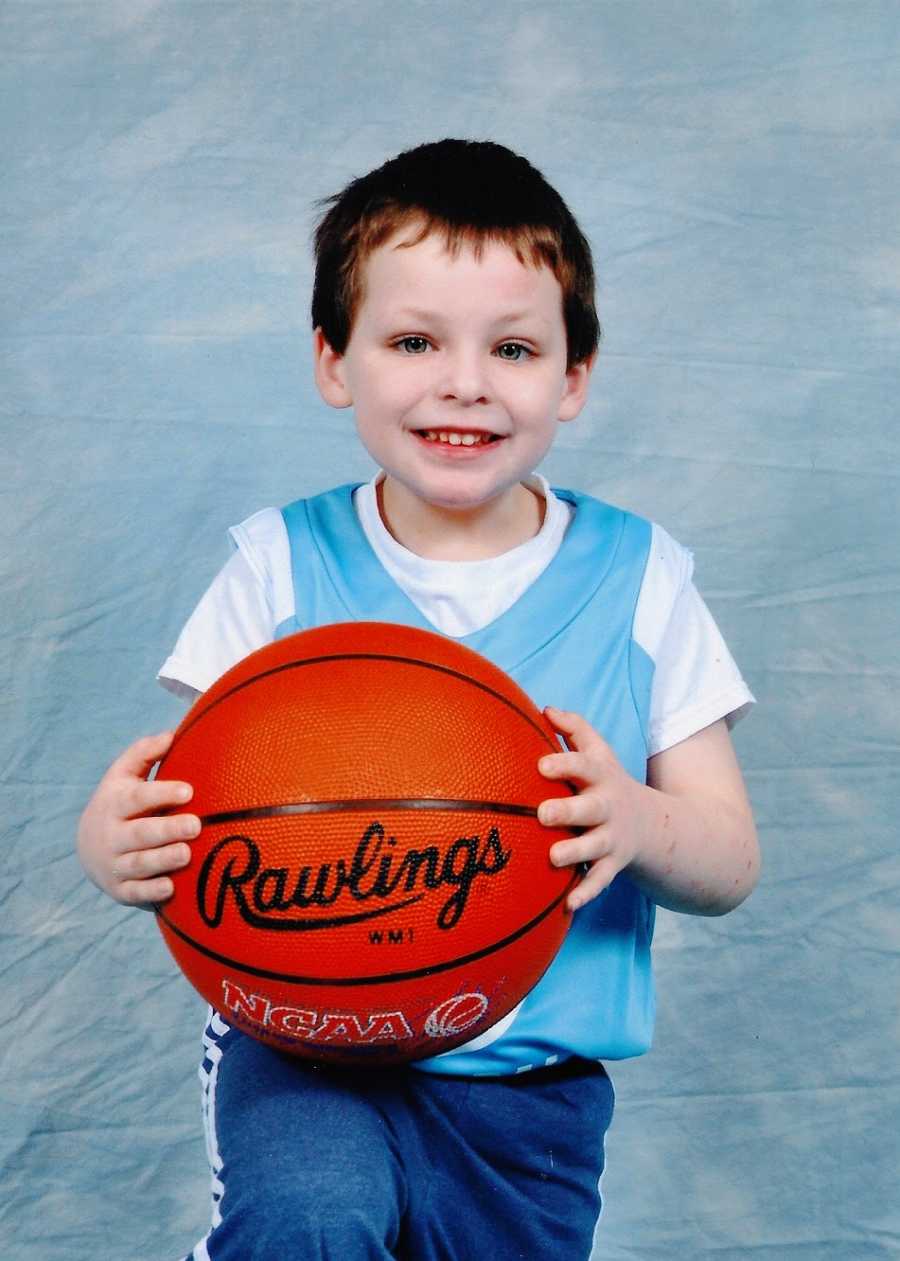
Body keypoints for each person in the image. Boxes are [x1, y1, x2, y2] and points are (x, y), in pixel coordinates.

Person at [77, 139, 760, 1260]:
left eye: (515, 348)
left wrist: (638, 821)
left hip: (526, 1090)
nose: (465, 382)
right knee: (308, 1220)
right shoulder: (278, 566)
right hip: (302, 1041)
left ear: (574, 377)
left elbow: (730, 862)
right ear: (333, 360)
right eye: (411, 340)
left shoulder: (644, 580)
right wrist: (115, 846)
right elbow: (172, 807)